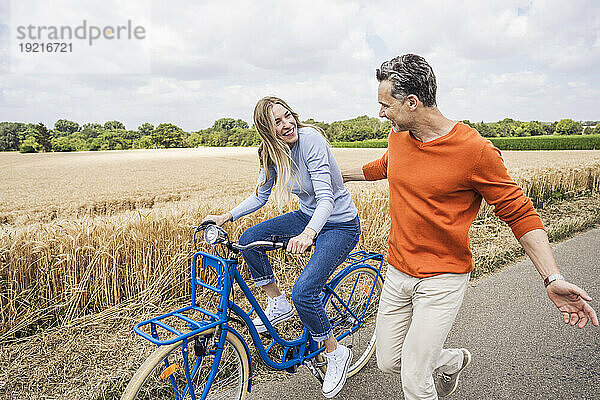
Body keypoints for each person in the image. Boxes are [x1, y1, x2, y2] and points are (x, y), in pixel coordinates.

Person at [341, 54, 598, 400]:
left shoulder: (474, 151)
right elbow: (385, 167)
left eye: (386, 105)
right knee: (389, 362)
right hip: (398, 270)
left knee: (414, 378)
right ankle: (451, 361)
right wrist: (335, 175)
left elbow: (520, 213)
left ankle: (430, 366)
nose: (381, 113)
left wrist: (552, 278)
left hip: (442, 277)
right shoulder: (398, 136)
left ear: (412, 103)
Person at [203, 96, 360, 398]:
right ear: (266, 129)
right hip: (306, 216)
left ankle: (335, 352)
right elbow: (260, 195)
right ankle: (279, 303)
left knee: (305, 291)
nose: (287, 124)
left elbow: (326, 198)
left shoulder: (311, 140)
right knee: (248, 241)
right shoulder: (270, 153)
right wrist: (226, 217)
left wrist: (309, 234)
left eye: (288, 116)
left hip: (339, 224)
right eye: (277, 121)